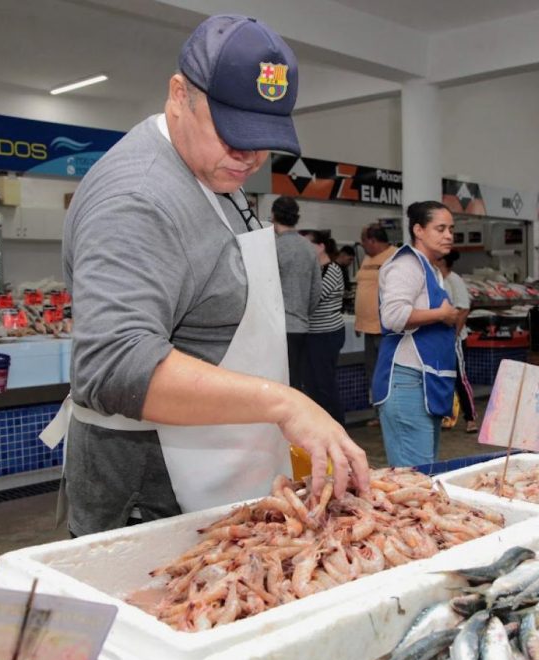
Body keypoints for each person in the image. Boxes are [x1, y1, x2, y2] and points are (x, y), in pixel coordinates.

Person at [44, 14, 368, 538]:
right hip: (150, 489)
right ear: (179, 94)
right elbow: (113, 365)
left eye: (263, 138)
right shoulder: (137, 198)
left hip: (220, 466)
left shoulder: (212, 170)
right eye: (234, 132)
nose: (250, 156)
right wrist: (284, 402)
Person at [373, 201, 459, 468]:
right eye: (440, 228)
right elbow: (393, 316)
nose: (449, 235)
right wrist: (441, 315)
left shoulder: (430, 268)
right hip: (407, 382)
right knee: (415, 478)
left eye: (451, 229)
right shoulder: (407, 266)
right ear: (419, 230)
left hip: (425, 383)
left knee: (426, 472)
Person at [272, 195, 321, 390]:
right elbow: (316, 289)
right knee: (295, 381)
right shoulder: (309, 248)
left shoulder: (273, 247)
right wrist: (302, 313)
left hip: (276, 328)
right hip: (300, 327)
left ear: (274, 216)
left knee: (277, 382)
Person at [354, 223, 397, 425]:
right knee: (372, 373)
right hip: (367, 327)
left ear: (372, 240)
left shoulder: (394, 256)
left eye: (364, 242)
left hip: (384, 329)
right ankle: (378, 413)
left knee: (387, 373)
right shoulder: (368, 258)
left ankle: (390, 414)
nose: (363, 246)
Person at [304, 231, 346, 424]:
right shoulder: (316, 270)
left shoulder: (332, 270)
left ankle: (337, 425)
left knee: (325, 383)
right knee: (313, 383)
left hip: (327, 334)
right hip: (313, 333)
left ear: (321, 246)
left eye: (308, 244)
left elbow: (313, 298)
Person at [438, 251, 477, 433]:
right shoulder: (437, 279)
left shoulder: (454, 281)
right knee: (443, 378)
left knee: (461, 379)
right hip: (440, 338)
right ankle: (446, 416)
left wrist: (454, 335)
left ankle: (470, 418)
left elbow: (463, 310)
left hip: (455, 339)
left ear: (443, 262)